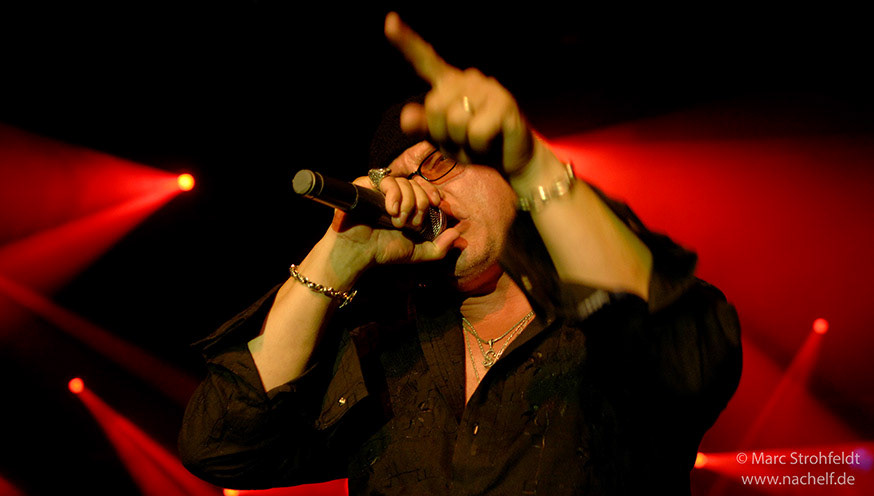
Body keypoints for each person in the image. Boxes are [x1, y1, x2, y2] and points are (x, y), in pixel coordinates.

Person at [179, 12, 742, 495]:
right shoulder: (378, 353)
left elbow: (685, 359)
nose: (423, 195)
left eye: (441, 164)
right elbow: (219, 446)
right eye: (401, 183)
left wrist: (535, 166)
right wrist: (336, 255)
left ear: (505, 170)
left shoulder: (599, 332)